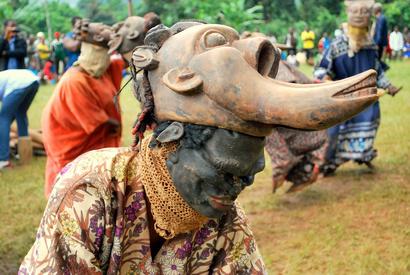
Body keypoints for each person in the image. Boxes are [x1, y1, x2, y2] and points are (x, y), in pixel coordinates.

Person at [19, 21, 379, 274]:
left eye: (247, 175)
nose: (237, 189)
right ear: (168, 141)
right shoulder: (92, 192)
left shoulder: (225, 223)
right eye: (226, 171)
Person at [316, 0, 401, 175]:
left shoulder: (370, 46)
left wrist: (388, 86)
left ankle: (362, 155)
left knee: (370, 121)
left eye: (362, 30)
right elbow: (323, 69)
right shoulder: (337, 44)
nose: (359, 33)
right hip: (341, 100)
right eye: (356, 30)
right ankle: (329, 163)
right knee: (333, 133)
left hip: (365, 101)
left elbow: (377, 71)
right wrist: (327, 81)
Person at [41, 21, 124, 197]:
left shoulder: (101, 71)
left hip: (93, 141)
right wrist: (115, 125)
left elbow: (123, 61)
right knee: (73, 192)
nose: (109, 28)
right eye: (103, 28)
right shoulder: (75, 81)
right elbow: (97, 121)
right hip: (70, 143)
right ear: (98, 38)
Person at [0, 69, 39, 169]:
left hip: (18, 84)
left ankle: (3, 160)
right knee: (20, 113)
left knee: (3, 118)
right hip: (33, 81)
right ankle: (23, 154)